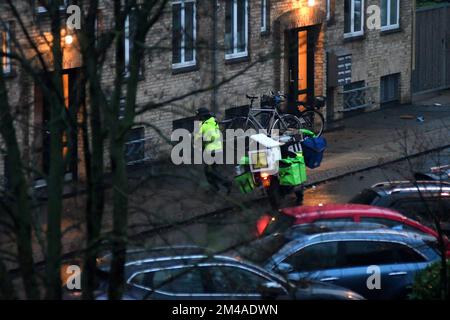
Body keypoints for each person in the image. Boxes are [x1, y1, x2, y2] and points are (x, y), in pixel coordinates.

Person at [194, 107, 231, 194]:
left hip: (211, 151)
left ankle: (225, 183)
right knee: (212, 170)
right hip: (219, 150)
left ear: (202, 117)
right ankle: (216, 188)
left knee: (209, 171)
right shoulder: (214, 122)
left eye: (199, 116)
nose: (198, 118)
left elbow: (197, 141)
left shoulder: (202, 126)